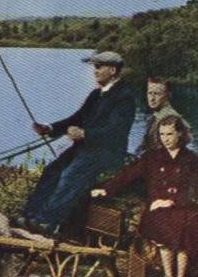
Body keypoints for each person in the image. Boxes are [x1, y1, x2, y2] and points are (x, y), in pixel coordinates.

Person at [15, 51, 136, 234]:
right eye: (94, 67)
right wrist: (49, 128)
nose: (94, 71)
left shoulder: (125, 97)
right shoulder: (96, 94)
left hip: (107, 154)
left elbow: (115, 132)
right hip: (86, 149)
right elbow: (77, 118)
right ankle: (28, 216)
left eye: (98, 67)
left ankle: (47, 222)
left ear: (112, 70)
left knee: (70, 175)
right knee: (51, 171)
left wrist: (85, 134)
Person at [91, 114, 198, 277]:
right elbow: (128, 174)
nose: (165, 139)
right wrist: (106, 189)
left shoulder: (191, 159)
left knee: (184, 226)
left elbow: (195, 188)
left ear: (180, 135)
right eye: (162, 135)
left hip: (184, 207)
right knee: (163, 224)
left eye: (169, 134)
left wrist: (172, 201)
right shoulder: (152, 157)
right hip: (157, 209)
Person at [138, 77, 181, 154]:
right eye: (150, 93)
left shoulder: (169, 119)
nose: (152, 98)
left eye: (157, 94)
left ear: (168, 95)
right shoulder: (156, 115)